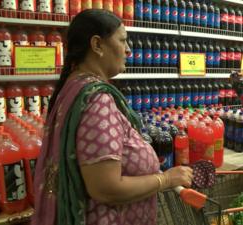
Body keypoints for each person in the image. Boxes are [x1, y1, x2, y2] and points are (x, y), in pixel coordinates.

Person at [32, 9, 193, 225]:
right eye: (123, 41)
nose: (128, 50)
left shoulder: (74, 86)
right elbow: (106, 189)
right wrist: (165, 179)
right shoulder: (97, 101)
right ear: (97, 45)